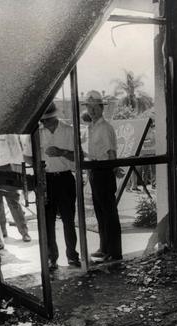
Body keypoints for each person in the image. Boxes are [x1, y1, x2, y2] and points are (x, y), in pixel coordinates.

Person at [36, 102, 81, 270]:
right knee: (48, 222)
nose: (43, 124)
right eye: (42, 121)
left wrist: (61, 152)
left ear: (54, 117)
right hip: (46, 180)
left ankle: (72, 256)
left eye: (46, 120)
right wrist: (37, 163)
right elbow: (27, 156)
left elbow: (79, 157)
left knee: (69, 220)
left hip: (65, 179)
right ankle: (51, 258)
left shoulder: (69, 130)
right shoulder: (37, 133)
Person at [83, 90, 122, 262]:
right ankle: (104, 247)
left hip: (104, 172)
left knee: (109, 214)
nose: (92, 111)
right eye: (89, 108)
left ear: (101, 108)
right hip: (94, 171)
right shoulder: (91, 127)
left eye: (95, 108)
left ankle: (114, 252)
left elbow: (111, 152)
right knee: (100, 213)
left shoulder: (105, 128)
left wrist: (113, 169)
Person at [0, 134, 31, 242]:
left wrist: (17, 172)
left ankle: (24, 232)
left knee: (13, 201)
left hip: (6, 168)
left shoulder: (6, 132)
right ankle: (2, 232)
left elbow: (16, 151)